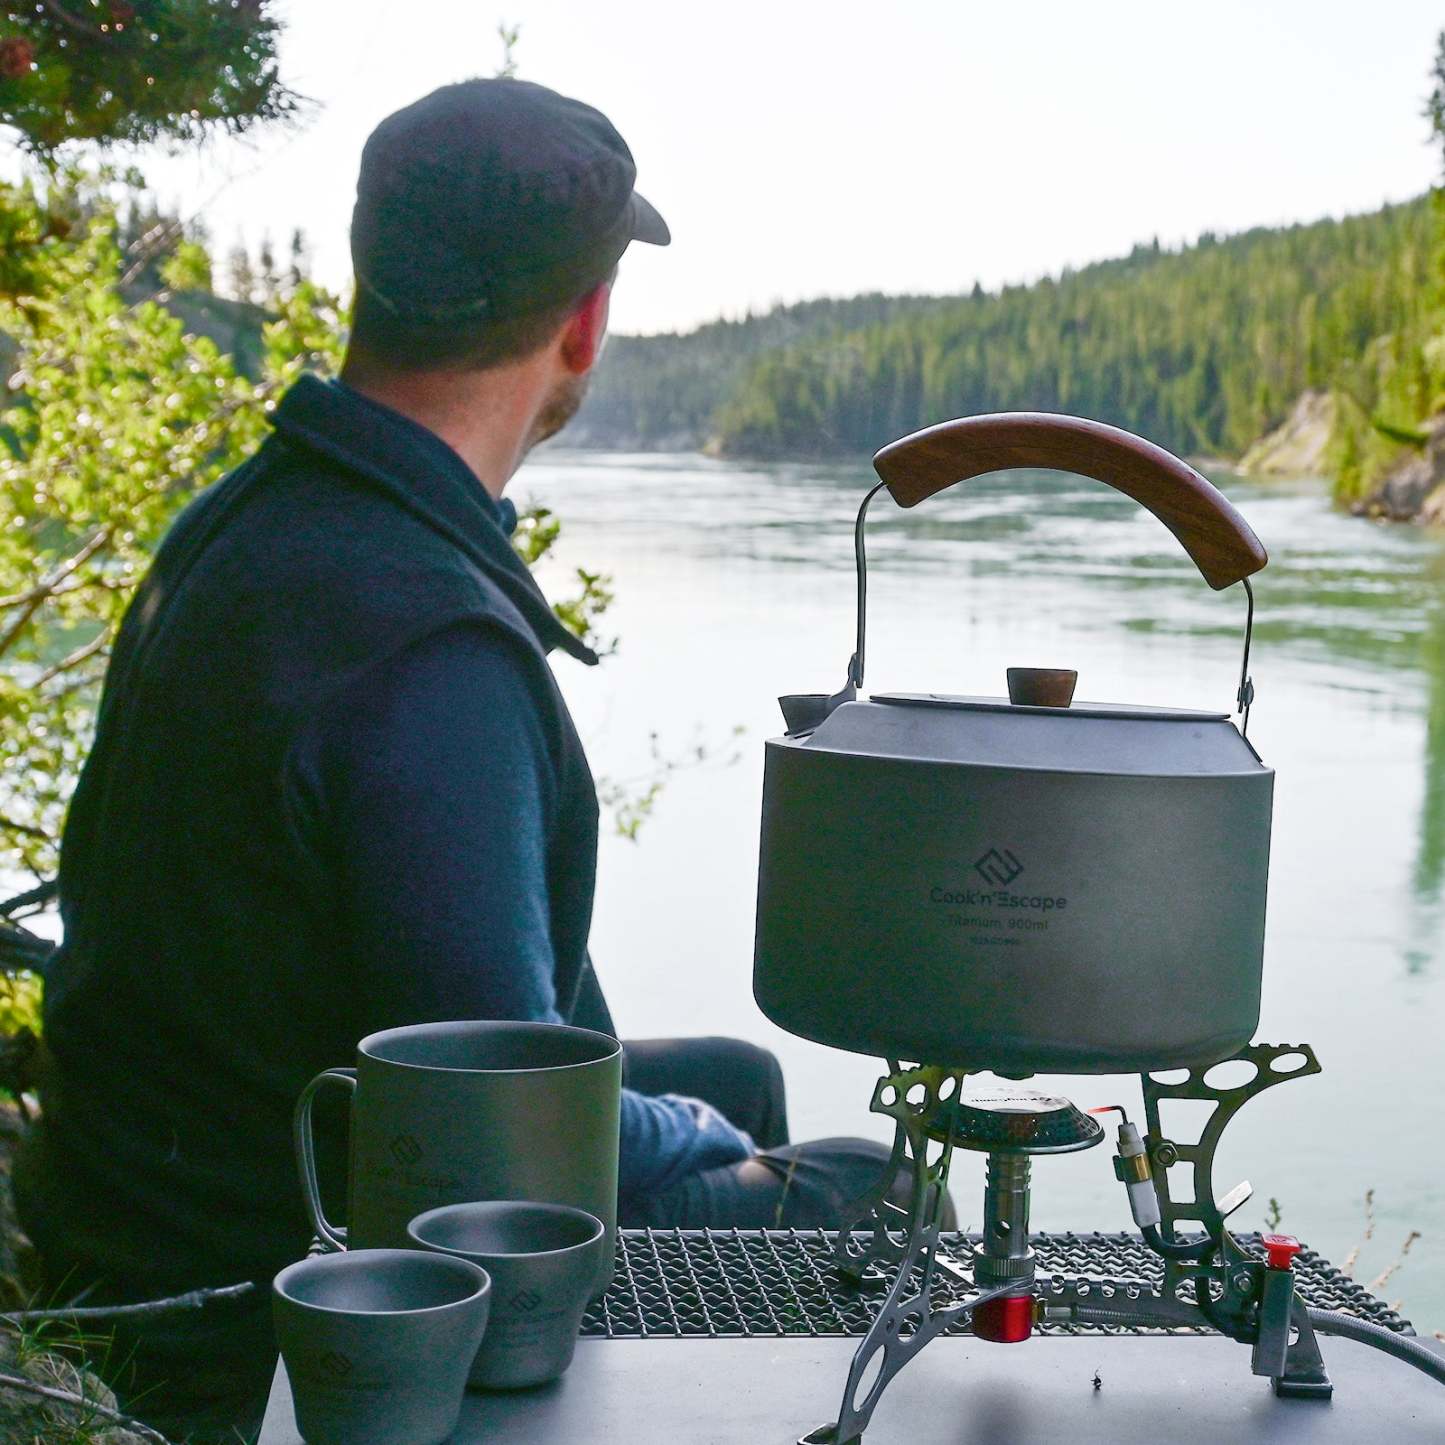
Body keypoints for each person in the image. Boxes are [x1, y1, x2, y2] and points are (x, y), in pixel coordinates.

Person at [15, 79, 935, 1443]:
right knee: (878, 1191)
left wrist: (689, 1115)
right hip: (277, 1300)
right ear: (584, 324)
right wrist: (693, 1137)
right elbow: (505, 1141)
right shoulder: (427, 650)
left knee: (734, 1074)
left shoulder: (255, 521)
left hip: (148, 1194)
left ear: (369, 276)